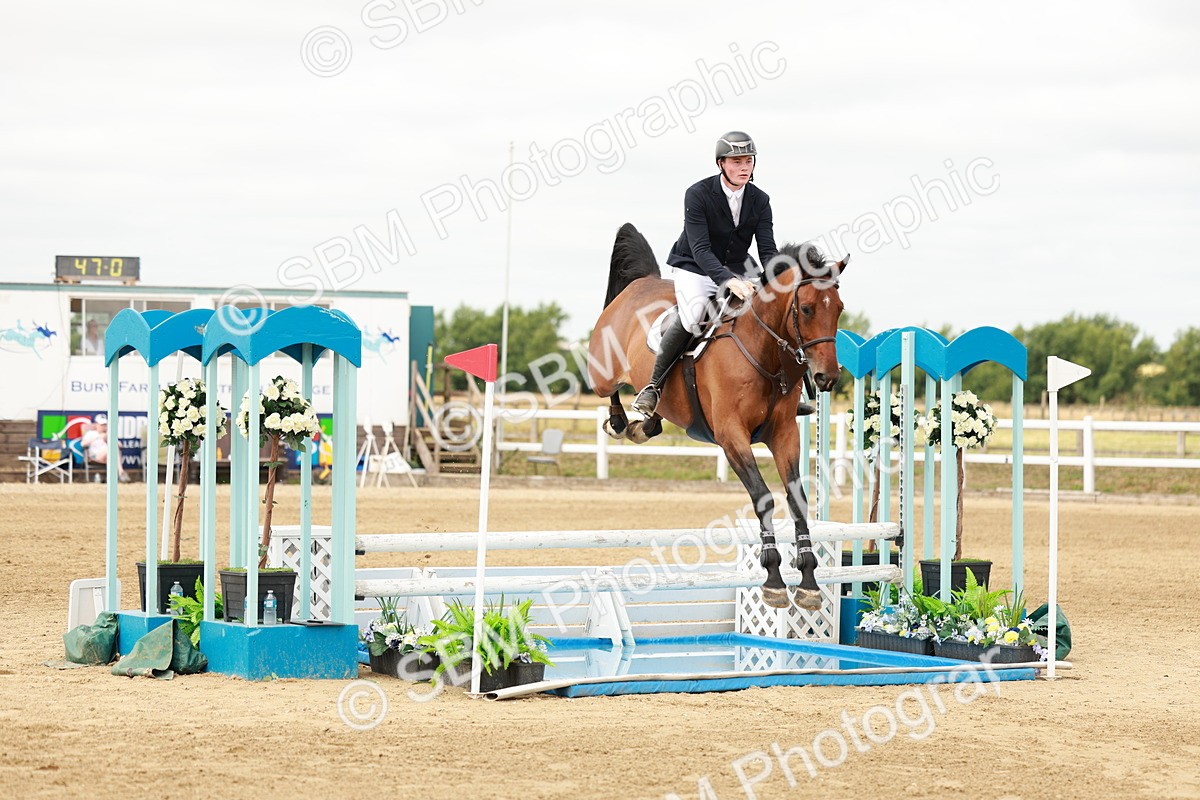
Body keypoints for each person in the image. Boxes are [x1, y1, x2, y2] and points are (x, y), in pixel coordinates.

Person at [632, 130, 779, 415]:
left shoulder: (760, 200)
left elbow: (767, 249)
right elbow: (700, 249)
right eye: (736, 161)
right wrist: (727, 281)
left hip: (739, 265)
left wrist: (775, 278)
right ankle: (654, 387)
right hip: (694, 266)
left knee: (772, 309)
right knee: (695, 315)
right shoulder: (698, 194)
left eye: (748, 160)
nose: (744, 167)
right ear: (721, 164)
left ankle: (784, 389)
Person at [80, 414, 130, 481]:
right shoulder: (91, 433)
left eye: (105, 425)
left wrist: (109, 438)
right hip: (95, 456)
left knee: (113, 449)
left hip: (108, 457)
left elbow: (120, 445)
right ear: (96, 424)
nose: (104, 427)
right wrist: (97, 437)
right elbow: (83, 444)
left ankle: (116, 475)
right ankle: (121, 473)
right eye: (102, 425)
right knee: (110, 449)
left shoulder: (109, 434)